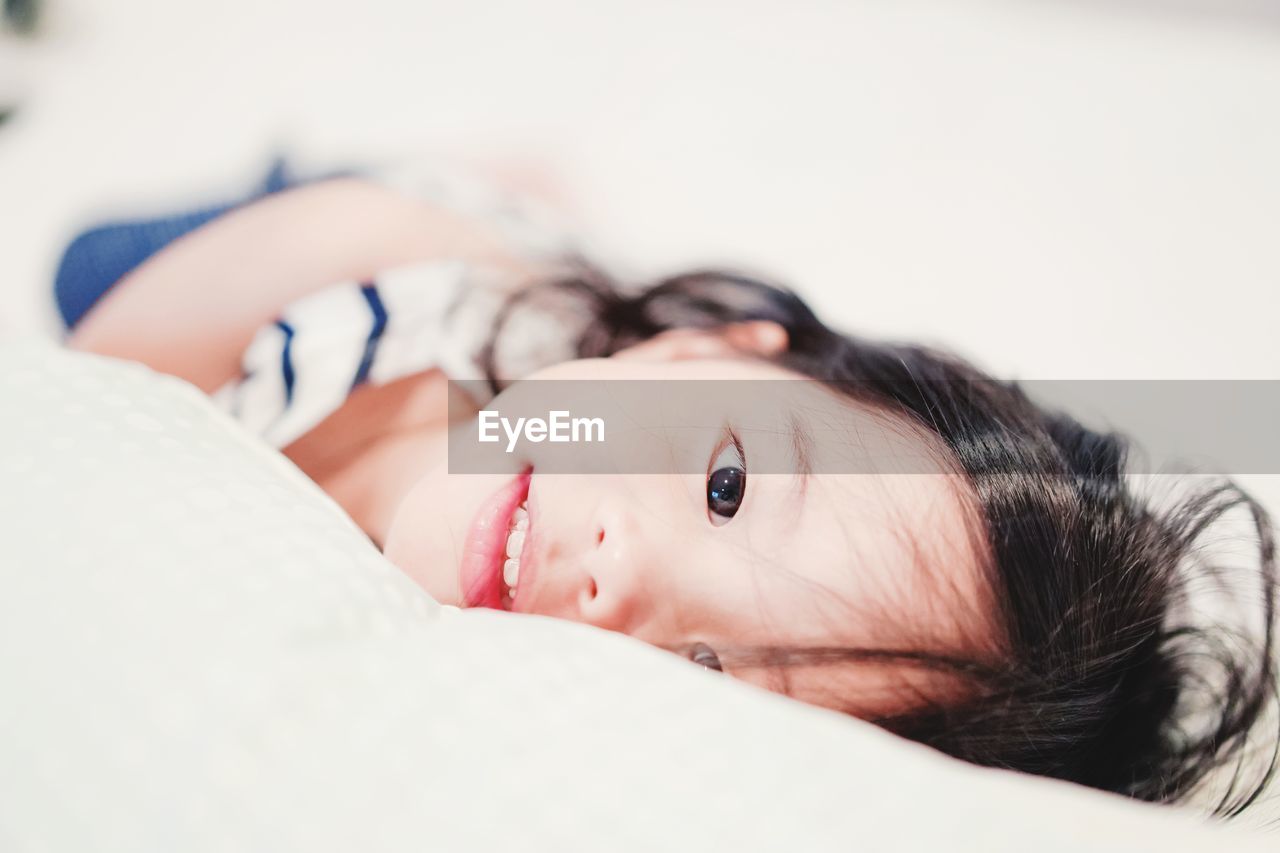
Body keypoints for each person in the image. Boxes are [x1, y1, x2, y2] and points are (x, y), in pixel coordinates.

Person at [57, 160, 1277, 816]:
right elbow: (86, 391)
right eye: (729, 487)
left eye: (706, 671)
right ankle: (524, 178)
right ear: (709, 354)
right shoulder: (372, 261)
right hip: (375, 254)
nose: (619, 572)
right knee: (83, 259)